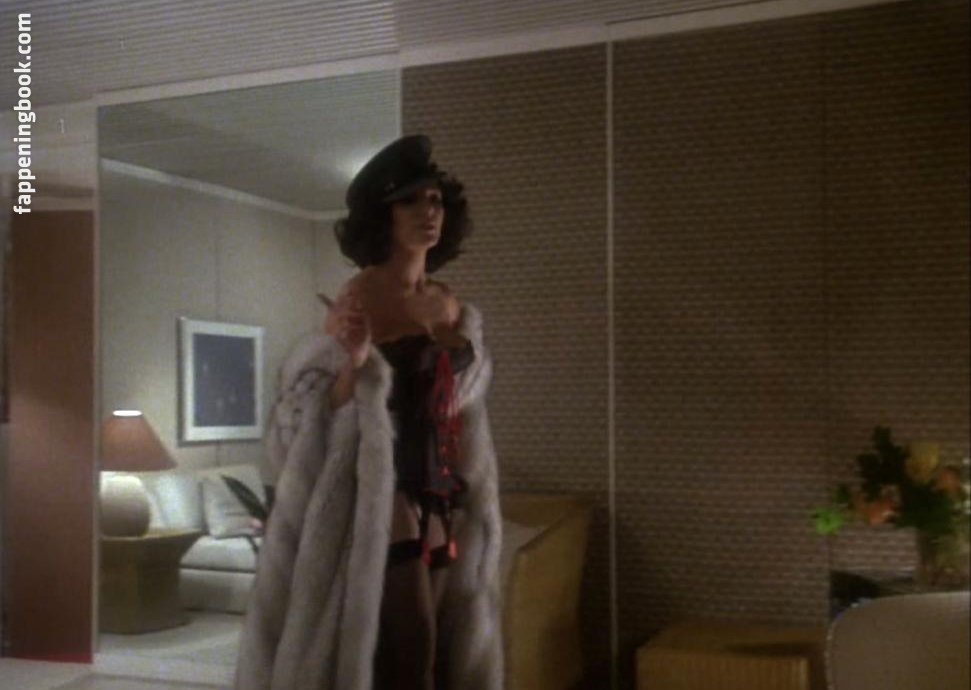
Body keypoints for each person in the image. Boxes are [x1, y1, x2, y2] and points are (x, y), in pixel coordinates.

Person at [235, 135, 503, 690]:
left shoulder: (448, 301)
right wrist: (354, 362)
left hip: (440, 483)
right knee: (412, 642)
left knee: (437, 650)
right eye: (410, 201)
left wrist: (450, 341)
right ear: (384, 215)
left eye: (435, 200)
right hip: (381, 485)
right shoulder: (360, 297)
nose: (428, 212)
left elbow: (464, 397)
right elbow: (305, 422)